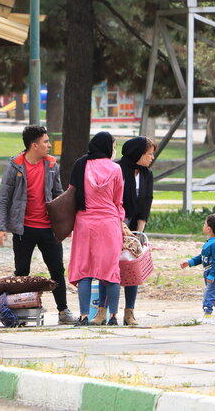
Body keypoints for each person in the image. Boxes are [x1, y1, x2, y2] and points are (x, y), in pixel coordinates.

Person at [0, 125, 76, 325]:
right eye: (46, 142)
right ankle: (21, 313)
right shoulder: (15, 165)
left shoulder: (51, 165)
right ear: (34, 145)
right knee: (22, 271)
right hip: (24, 229)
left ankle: (63, 311)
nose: (49, 145)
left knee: (57, 270)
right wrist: (0, 227)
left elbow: (58, 195)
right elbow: (3, 198)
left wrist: (66, 224)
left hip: (49, 229)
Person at [94, 136, 155, 326]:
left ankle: (129, 312)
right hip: (114, 224)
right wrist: (120, 225)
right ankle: (102, 312)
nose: (152, 157)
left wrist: (139, 230)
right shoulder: (117, 169)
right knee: (108, 269)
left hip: (135, 227)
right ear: (138, 154)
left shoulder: (147, 174)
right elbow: (110, 199)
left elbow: (147, 201)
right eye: (149, 154)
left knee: (132, 269)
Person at [68, 132, 125, 326]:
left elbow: (72, 193)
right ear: (108, 147)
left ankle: (84, 316)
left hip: (84, 223)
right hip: (109, 223)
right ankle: (113, 316)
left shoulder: (81, 165)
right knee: (111, 270)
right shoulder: (116, 169)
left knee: (84, 269)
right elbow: (118, 200)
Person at [180, 213, 215, 324]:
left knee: (209, 294)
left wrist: (212, 275)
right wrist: (190, 262)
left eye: (204, 223)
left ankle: (207, 316)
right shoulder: (211, 243)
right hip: (210, 270)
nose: (203, 225)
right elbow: (202, 257)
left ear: (208, 229)